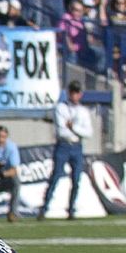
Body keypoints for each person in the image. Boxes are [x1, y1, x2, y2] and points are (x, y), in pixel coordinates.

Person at [39, 80, 92, 220]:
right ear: (68, 93)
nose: (74, 95)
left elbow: (88, 133)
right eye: (72, 92)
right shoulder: (61, 108)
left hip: (77, 145)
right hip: (63, 145)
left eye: (77, 92)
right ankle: (44, 208)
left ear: (80, 94)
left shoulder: (83, 111)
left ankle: (71, 209)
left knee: (76, 179)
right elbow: (62, 130)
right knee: (56, 176)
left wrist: (74, 128)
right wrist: (75, 130)